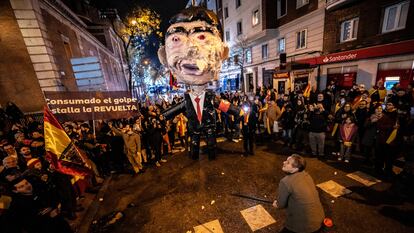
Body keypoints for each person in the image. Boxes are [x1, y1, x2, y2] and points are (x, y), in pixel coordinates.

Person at [273, 154, 325, 233]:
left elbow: (281, 204)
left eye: (288, 162)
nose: (284, 162)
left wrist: (276, 204)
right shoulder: (306, 175)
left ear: (296, 169)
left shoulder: (286, 181)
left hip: (304, 225)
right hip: (319, 219)